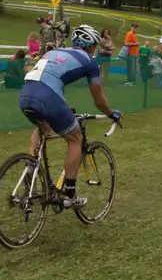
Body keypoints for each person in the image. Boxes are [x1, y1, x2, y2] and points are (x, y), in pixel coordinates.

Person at [18, 25, 122, 208]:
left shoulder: (55, 51)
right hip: (48, 95)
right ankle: (69, 194)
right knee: (76, 138)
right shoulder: (90, 61)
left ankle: (31, 171)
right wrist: (110, 113)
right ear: (91, 46)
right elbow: (98, 99)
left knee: (43, 127)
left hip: (26, 93)